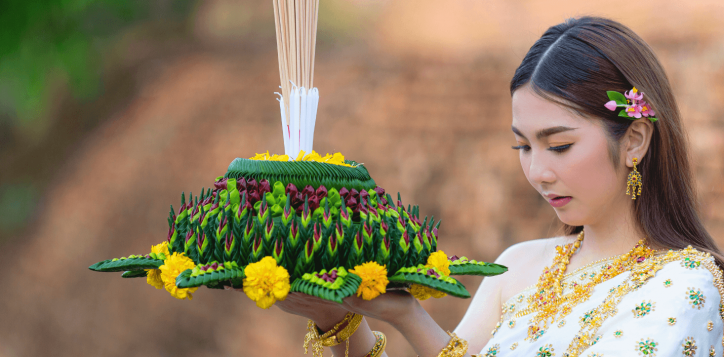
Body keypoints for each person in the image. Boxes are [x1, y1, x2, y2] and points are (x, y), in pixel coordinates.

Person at [227, 16, 724, 357]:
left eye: (559, 145)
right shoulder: (519, 265)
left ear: (634, 139)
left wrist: (411, 319)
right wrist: (339, 319)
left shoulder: (685, 287)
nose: (538, 172)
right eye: (523, 147)